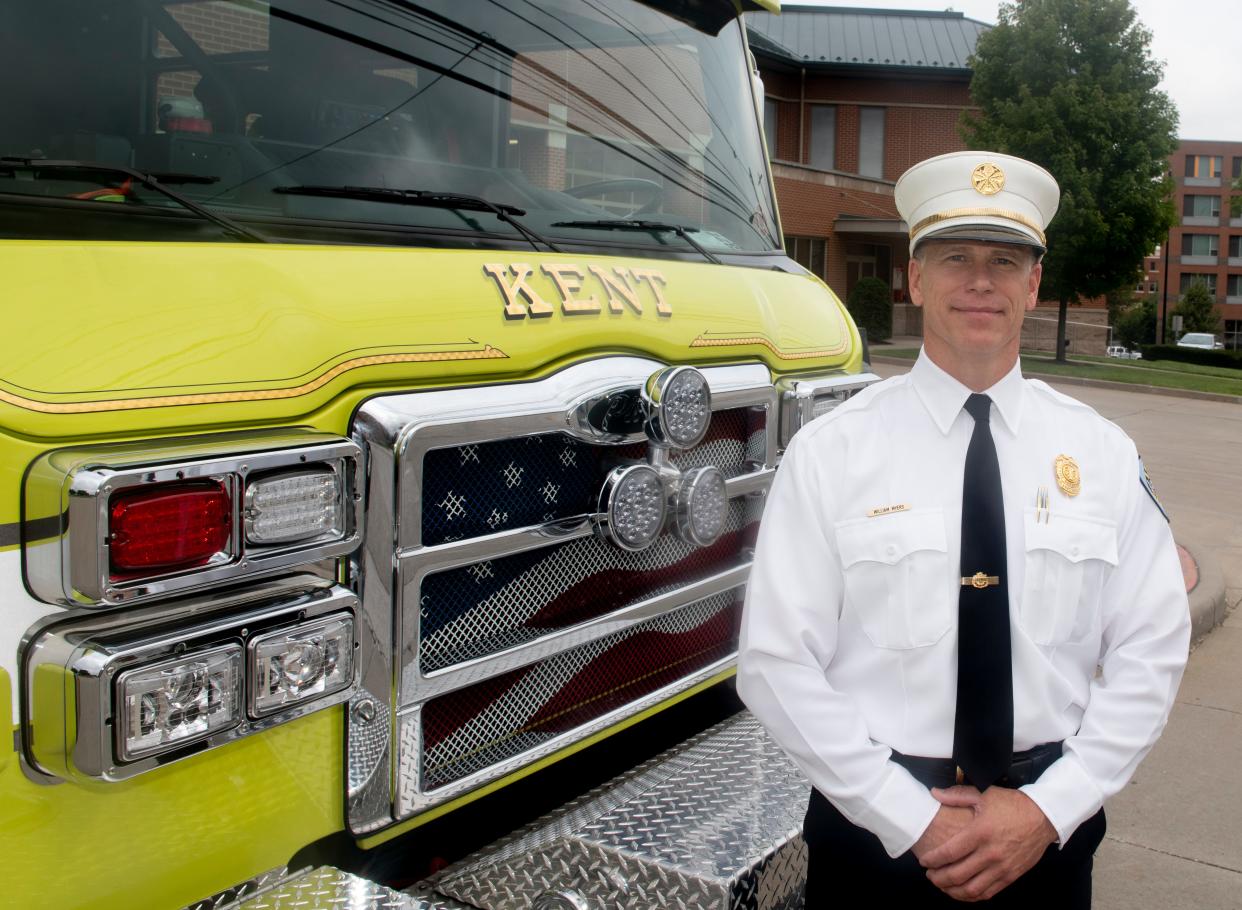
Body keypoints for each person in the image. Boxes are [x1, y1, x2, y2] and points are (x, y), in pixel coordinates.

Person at [737, 150, 1190, 906]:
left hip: (1045, 842)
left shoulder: (1101, 453)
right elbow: (776, 662)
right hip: (874, 846)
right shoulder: (833, 453)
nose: (981, 281)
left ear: (1034, 284)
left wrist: (1049, 806)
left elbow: (1152, 647)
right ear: (914, 279)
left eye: (1006, 261)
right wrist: (909, 818)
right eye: (955, 258)